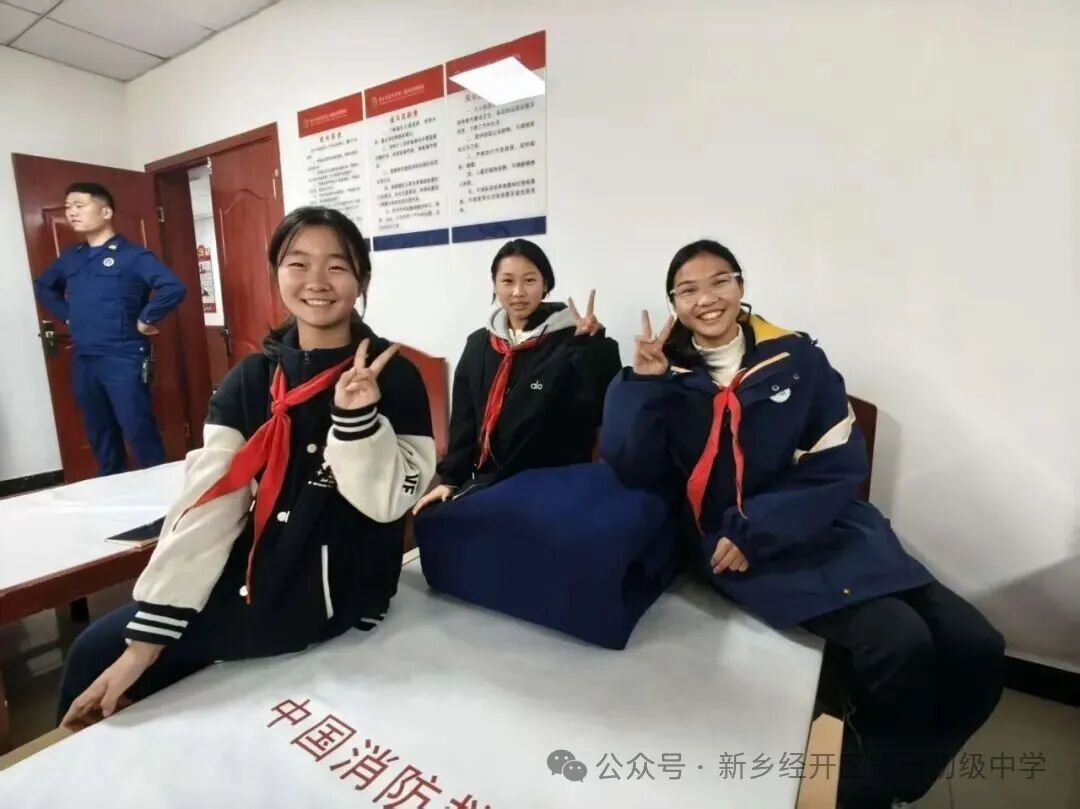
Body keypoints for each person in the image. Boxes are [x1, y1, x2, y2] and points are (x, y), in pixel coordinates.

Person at [600, 239, 1005, 808]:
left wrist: (761, 524)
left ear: (741, 286)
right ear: (674, 304)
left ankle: (903, 776)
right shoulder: (665, 375)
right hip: (733, 543)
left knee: (979, 645)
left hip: (821, 522)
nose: (706, 298)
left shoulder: (798, 360)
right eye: (687, 290)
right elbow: (631, 466)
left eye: (719, 281)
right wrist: (642, 385)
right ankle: (867, 787)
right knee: (899, 642)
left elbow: (838, 461)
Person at [58, 206, 435, 728]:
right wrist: (150, 635)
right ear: (276, 273)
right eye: (298, 264)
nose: (317, 281)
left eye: (337, 266)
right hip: (257, 568)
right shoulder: (251, 378)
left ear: (362, 280)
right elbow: (211, 499)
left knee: (99, 655)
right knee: (102, 651)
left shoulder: (393, 376)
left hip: (335, 591)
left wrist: (356, 422)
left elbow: (390, 501)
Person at [413, 238, 621, 512]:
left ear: (545, 284)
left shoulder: (572, 340)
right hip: (492, 480)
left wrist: (591, 348)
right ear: (495, 285)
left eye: (530, 280)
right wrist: (451, 479)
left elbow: (596, 407)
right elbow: (465, 420)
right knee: (432, 519)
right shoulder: (479, 345)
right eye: (508, 281)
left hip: (553, 481)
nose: (518, 292)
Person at [33, 182, 187, 475]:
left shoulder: (134, 256)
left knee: (138, 429)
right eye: (68, 207)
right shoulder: (72, 257)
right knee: (100, 433)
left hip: (123, 356)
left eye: (79, 205)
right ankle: (110, 489)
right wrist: (68, 317)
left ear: (105, 212)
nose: (71, 212)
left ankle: (160, 492)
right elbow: (44, 286)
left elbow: (173, 287)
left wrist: (147, 318)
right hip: (85, 358)